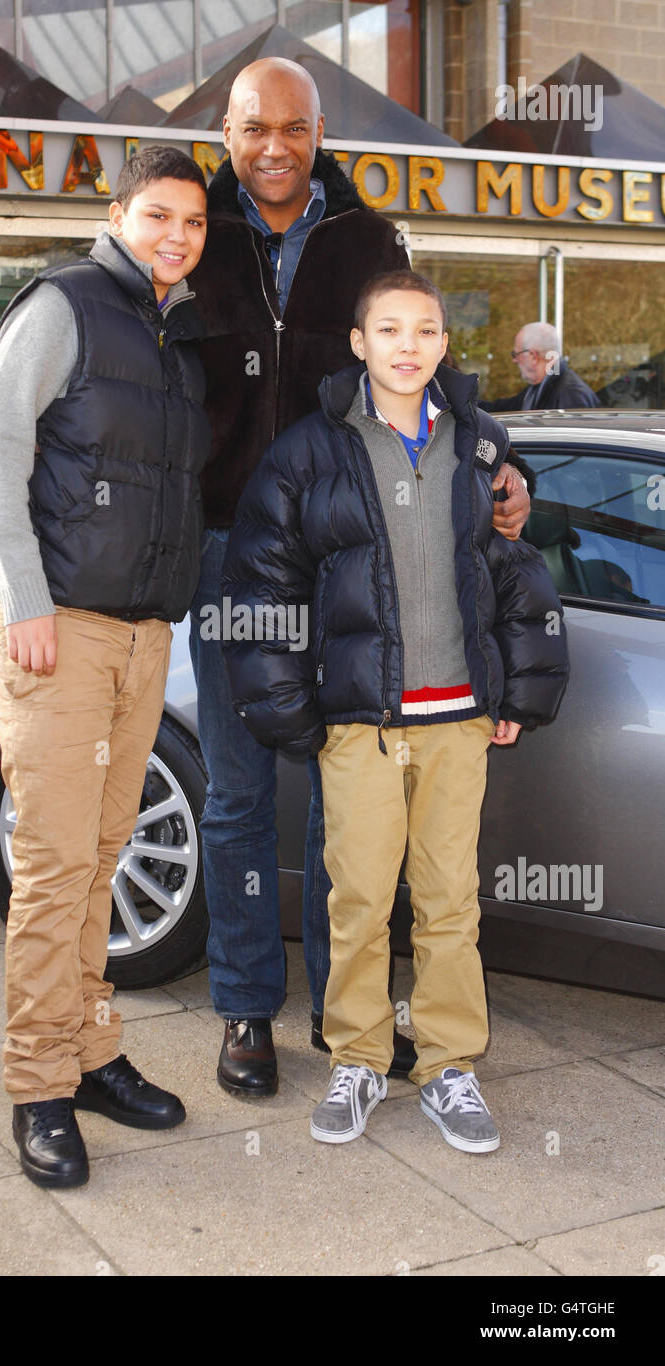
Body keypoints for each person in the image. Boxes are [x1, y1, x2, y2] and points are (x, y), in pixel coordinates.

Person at [187, 56, 532, 1099]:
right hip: (227, 557)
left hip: (353, 556)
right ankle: (248, 1009)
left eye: (295, 127)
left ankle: (355, 1018)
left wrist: (502, 463)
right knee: (240, 795)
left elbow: (423, 356)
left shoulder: (368, 238)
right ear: (229, 131)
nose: (276, 148)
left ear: (321, 129)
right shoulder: (193, 232)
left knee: (349, 805)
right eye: (256, 129)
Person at [221, 271, 569, 1151]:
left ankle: (451, 1067)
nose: (407, 345)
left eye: (424, 330)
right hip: (362, 724)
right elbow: (263, 578)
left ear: (445, 345)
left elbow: (516, 573)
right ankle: (360, 1060)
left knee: (452, 902)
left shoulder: (482, 447)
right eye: (389, 329)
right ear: (358, 342)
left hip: (457, 722)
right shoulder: (310, 451)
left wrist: (520, 691)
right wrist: (290, 706)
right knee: (361, 899)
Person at [0, 146, 211, 1190]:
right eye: (159, 215)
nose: (177, 236)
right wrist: (23, 597)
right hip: (60, 631)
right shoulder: (66, 304)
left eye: (194, 223)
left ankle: (92, 1050)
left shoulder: (172, 333)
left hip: (144, 635)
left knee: (102, 864)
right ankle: (37, 1086)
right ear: (117, 213)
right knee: (60, 867)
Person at [482, 321, 599, 410]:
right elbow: (504, 409)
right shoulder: (541, 388)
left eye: (515, 354)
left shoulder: (570, 395)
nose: (514, 360)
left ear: (533, 356)